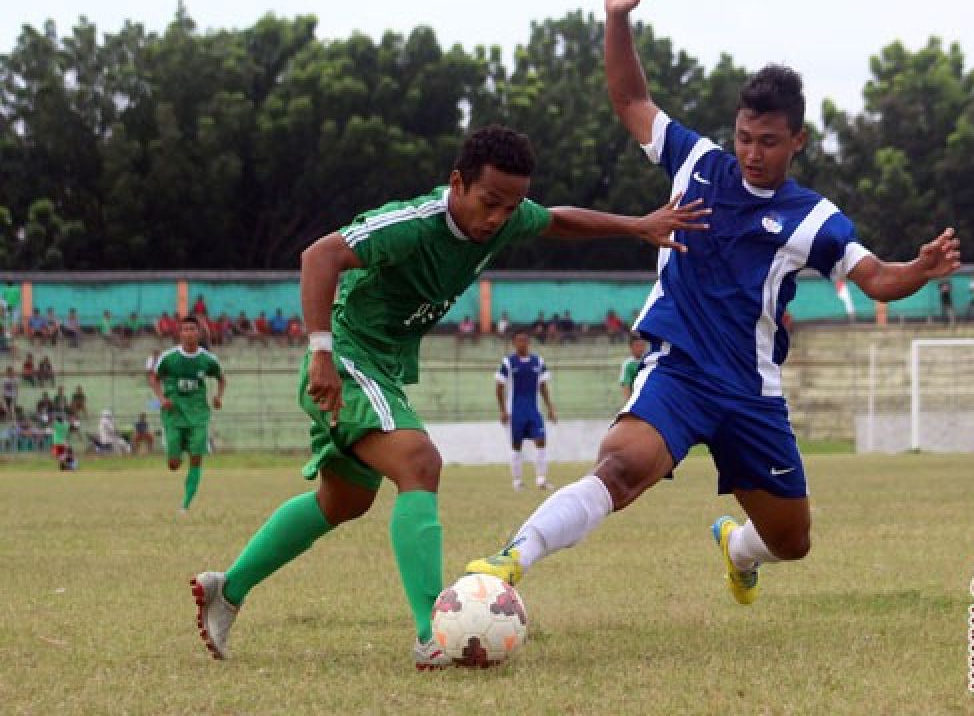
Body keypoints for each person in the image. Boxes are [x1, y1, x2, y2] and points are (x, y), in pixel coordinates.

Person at [467, 0, 961, 611]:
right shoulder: (697, 163)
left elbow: (875, 279)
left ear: (798, 142)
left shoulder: (813, 219)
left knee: (792, 540)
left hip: (752, 394)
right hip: (680, 371)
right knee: (621, 466)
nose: (752, 152)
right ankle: (509, 560)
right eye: (744, 136)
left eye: (769, 141)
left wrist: (918, 272)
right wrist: (617, 18)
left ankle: (736, 549)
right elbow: (630, 100)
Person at [187, 124, 707, 668]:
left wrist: (637, 226)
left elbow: (556, 219)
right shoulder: (412, 224)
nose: (498, 219)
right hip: (347, 356)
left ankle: (229, 588)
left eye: (511, 207)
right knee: (420, 462)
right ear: (457, 183)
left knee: (344, 501)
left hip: (381, 367)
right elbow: (319, 256)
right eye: (489, 203)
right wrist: (320, 353)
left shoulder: (504, 219)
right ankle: (430, 633)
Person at [149, 316, 225, 514]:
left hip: (198, 415)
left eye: (193, 329)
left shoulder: (208, 360)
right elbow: (154, 379)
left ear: (199, 333)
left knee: (196, 458)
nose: (189, 332)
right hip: (174, 414)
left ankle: (185, 504)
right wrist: (161, 399)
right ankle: (177, 450)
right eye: (185, 329)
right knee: (173, 464)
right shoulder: (169, 358)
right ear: (180, 333)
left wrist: (218, 396)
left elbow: (221, 378)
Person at [496, 330, 557, 491]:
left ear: (528, 342)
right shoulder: (508, 362)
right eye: (518, 341)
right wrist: (502, 410)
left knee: (541, 441)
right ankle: (517, 481)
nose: (522, 343)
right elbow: (499, 387)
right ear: (514, 343)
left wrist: (550, 407)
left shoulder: (538, 361)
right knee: (517, 446)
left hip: (534, 410)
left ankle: (541, 480)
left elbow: (543, 386)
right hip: (515, 412)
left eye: (524, 340)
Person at [618, 333, 648, 401]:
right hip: (637, 401)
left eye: (642, 345)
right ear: (631, 347)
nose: (641, 348)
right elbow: (626, 386)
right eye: (637, 346)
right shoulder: (629, 364)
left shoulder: (650, 361)